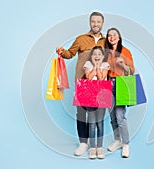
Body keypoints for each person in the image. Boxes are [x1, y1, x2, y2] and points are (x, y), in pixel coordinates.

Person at [56, 12, 106, 156]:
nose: (95, 24)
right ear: (90, 23)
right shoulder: (81, 39)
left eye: (98, 22)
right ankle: (83, 143)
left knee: (98, 115)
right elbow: (69, 54)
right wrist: (61, 51)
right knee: (82, 113)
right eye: (93, 21)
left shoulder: (106, 41)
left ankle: (97, 146)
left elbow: (113, 58)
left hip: (101, 83)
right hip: (82, 82)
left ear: (102, 24)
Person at [105, 28, 135, 158]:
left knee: (120, 116)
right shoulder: (105, 52)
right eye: (109, 35)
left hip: (121, 83)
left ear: (119, 37)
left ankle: (126, 144)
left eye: (114, 35)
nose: (112, 37)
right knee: (112, 116)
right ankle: (117, 140)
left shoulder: (126, 51)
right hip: (108, 83)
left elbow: (131, 71)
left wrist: (123, 65)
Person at [83, 46, 109, 159]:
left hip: (102, 96)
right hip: (90, 96)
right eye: (94, 54)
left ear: (103, 56)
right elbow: (89, 78)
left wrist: (98, 66)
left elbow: (102, 78)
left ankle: (100, 147)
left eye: (99, 54)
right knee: (92, 122)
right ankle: (93, 147)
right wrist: (94, 65)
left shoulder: (105, 65)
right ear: (91, 56)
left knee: (100, 122)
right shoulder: (87, 64)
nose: (97, 56)